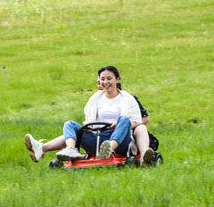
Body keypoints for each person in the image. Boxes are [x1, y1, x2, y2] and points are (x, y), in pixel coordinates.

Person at [23, 66, 156, 164]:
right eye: (102, 79)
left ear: (117, 79)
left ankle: (110, 147)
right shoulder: (95, 99)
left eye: (109, 78)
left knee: (124, 119)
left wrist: (118, 124)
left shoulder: (128, 99)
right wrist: (87, 127)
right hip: (97, 137)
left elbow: (138, 122)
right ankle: (70, 149)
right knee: (69, 124)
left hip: (120, 138)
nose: (106, 82)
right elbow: (89, 120)